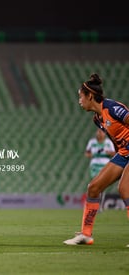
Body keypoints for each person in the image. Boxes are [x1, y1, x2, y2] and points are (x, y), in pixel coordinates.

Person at [63, 73, 129, 246]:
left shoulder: (113, 108)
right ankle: (86, 235)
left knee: (125, 189)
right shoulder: (98, 119)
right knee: (93, 188)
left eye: (80, 96)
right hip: (123, 153)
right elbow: (116, 141)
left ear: (90, 96)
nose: (79, 101)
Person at [84, 128, 115, 211]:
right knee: (94, 185)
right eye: (98, 131)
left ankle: (99, 206)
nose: (100, 133)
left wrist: (109, 153)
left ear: (104, 133)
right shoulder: (92, 142)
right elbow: (87, 153)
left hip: (105, 166)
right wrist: (93, 154)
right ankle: (92, 205)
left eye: (101, 132)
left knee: (101, 187)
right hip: (94, 166)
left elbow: (115, 153)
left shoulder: (108, 143)